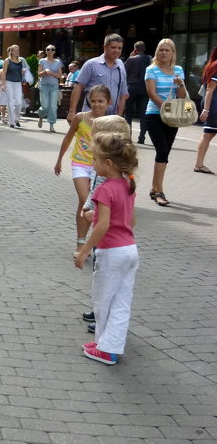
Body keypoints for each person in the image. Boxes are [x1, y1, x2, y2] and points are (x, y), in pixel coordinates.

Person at [74, 132, 139, 366]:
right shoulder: (127, 183)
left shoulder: (104, 189)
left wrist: (83, 251)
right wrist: (98, 217)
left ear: (108, 163)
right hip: (130, 250)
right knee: (121, 301)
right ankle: (109, 345)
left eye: (95, 159)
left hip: (112, 253)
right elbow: (130, 221)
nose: (92, 163)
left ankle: (106, 349)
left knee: (103, 301)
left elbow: (103, 226)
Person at [80, 114, 132, 336]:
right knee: (111, 284)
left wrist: (83, 250)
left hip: (109, 242)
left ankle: (103, 320)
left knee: (105, 281)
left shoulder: (108, 179)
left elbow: (103, 218)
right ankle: (100, 312)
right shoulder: (125, 178)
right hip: (125, 245)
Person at [54, 85, 112, 253]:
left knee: (95, 205)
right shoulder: (80, 118)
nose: (96, 104)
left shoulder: (110, 122)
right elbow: (67, 138)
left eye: (100, 101)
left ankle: (95, 242)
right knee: (85, 200)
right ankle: (81, 243)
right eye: (92, 101)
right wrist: (59, 161)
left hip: (99, 168)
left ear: (108, 102)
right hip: (80, 164)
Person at [145, 38, 187, 207]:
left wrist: (180, 83)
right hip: (154, 115)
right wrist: (166, 109)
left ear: (173, 53)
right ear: (157, 52)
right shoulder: (151, 70)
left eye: (167, 50)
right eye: (161, 50)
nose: (163, 53)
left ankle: (154, 188)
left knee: (164, 154)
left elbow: (182, 95)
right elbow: (151, 94)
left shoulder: (178, 70)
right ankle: (158, 192)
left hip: (173, 118)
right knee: (162, 150)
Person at [67, 34, 128, 122]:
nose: (116, 51)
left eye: (119, 48)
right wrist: (72, 111)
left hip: (111, 118)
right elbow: (78, 87)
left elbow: (123, 94)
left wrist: (119, 117)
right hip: (91, 116)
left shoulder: (121, 66)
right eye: (113, 47)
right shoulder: (91, 64)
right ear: (105, 48)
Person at [195, 46, 217, 174]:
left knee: (209, 134)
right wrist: (206, 110)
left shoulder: (211, 65)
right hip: (213, 104)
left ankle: (199, 164)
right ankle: (198, 164)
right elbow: (210, 89)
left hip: (211, 104)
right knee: (208, 134)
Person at [124, 40, 152, 144]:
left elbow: (123, 71)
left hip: (131, 86)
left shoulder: (131, 59)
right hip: (144, 88)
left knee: (128, 113)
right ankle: (142, 137)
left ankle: (128, 136)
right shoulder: (150, 59)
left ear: (135, 49)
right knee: (143, 113)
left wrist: (130, 57)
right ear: (144, 49)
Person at [0, 44, 30, 128]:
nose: (17, 52)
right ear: (11, 52)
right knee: (10, 102)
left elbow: (27, 68)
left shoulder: (21, 60)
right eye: (15, 50)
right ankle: (12, 121)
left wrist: (24, 71)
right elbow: (4, 72)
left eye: (18, 50)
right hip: (9, 82)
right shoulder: (7, 61)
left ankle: (17, 118)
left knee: (19, 102)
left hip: (18, 83)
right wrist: (3, 84)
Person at [37, 45, 63, 133]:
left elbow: (60, 75)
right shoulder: (42, 61)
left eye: (52, 49)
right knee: (45, 106)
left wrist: (51, 73)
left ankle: (51, 125)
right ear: (46, 51)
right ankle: (41, 116)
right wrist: (44, 72)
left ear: (54, 51)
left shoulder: (58, 62)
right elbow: (39, 74)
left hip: (54, 86)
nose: (50, 51)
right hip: (44, 85)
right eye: (48, 49)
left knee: (53, 106)